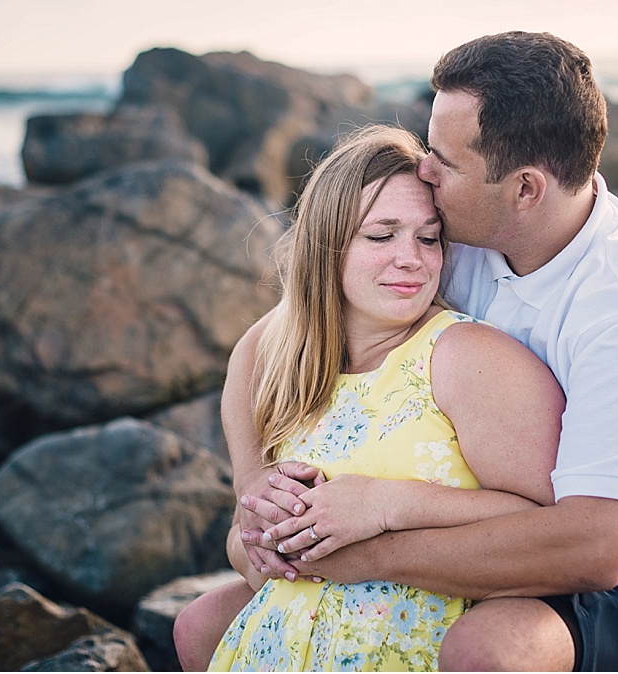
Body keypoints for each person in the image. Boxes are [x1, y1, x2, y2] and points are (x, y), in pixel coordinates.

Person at [178, 31, 618, 672]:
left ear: (525, 189)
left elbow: (596, 549)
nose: (424, 170)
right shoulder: (455, 232)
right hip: (470, 513)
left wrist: (372, 537)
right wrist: (253, 484)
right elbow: (274, 334)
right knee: (207, 622)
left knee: (486, 649)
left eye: (444, 159)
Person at [185, 124, 565, 671]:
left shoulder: (465, 357)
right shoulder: (281, 359)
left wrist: (388, 506)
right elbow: (246, 545)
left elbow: (548, 524)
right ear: (327, 243)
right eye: (381, 235)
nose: (410, 258)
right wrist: (262, 538)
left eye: (428, 237)